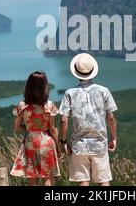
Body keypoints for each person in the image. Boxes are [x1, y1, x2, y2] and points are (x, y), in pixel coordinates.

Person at [59, 53, 118, 186]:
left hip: (79, 145)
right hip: (100, 144)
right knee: (103, 181)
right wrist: (113, 138)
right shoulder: (104, 91)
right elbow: (111, 118)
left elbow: (63, 120)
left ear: (76, 72)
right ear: (93, 72)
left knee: (83, 181)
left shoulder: (70, 93)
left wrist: (63, 141)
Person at [10, 71, 61, 186]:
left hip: (30, 143)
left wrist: (29, 127)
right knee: (48, 177)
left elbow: (17, 128)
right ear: (45, 87)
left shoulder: (22, 106)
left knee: (32, 179)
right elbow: (52, 129)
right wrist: (58, 147)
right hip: (46, 142)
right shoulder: (49, 105)